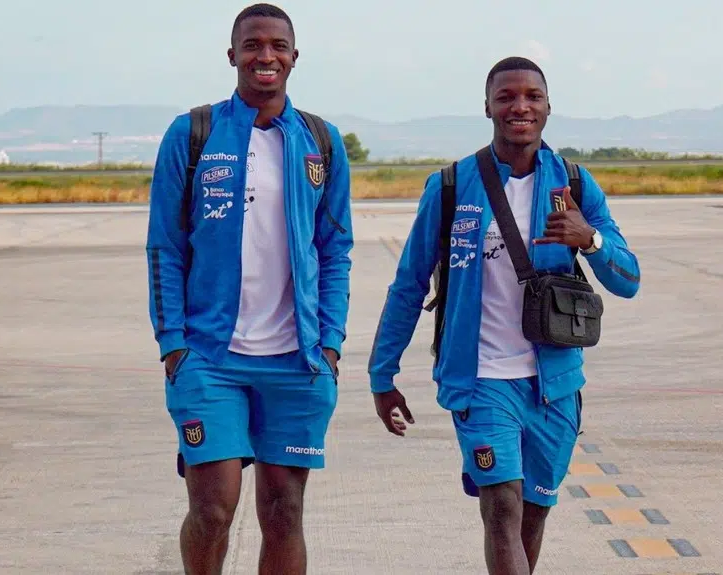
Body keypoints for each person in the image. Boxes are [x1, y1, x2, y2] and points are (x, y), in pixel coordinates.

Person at [367, 56, 640, 574]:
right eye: (507, 96)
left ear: (548, 107)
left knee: (532, 516)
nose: (520, 107)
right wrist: (383, 373)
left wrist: (590, 240)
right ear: (488, 107)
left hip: (554, 385)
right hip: (482, 380)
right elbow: (408, 286)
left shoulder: (575, 185)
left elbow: (628, 279)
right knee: (501, 509)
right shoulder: (452, 186)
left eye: (532, 97)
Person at [145, 4, 353, 574]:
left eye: (278, 45)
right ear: (232, 54)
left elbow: (335, 250)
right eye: (253, 44)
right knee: (212, 510)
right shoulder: (193, 134)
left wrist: (330, 343)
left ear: (294, 56)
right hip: (210, 359)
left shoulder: (320, 141)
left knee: (284, 512)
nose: (266, 55)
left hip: (297, 360)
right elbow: (164, 247)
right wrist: (173, 345)